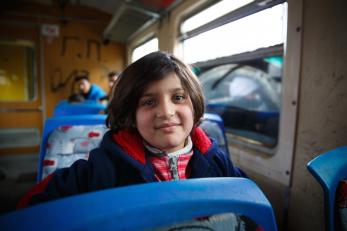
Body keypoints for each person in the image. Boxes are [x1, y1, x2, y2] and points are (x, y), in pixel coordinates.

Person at [18, 51, 246, 207]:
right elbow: (31, 207)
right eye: (149, 102)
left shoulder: (218, 163)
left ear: (195, 105)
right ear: (131, 114)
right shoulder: (100, 170)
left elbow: (251, 208)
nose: (166, 111)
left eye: (178, 97)